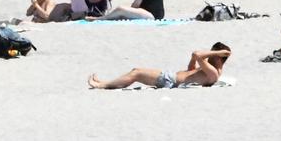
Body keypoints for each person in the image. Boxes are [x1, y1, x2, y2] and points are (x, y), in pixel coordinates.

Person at [88, 43, 232, 90]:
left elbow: (197, 53)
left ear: (219, 58)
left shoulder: (213, 73)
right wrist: (194, 60)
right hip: (170, 77)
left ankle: (103, 85)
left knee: (136, 72)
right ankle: (104, 83)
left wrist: (216, 52)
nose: (210, 56)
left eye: (213, 55)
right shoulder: (208, 69)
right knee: (136, 71)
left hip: (170, 80)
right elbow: (191, 68)